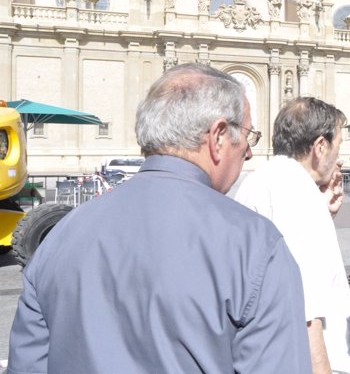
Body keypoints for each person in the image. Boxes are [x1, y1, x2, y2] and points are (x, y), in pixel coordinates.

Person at [7, 63, 311, 373]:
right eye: (248, 135)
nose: (248, 151)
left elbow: (27, 366)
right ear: (218, 136)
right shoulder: (255, 245)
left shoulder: (61, 234)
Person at [235, 97, 350, 374]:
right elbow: (306, 309)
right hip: (314, 363)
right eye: (338, 144)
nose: (338, 156)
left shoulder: (261, 179)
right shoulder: (299, 195)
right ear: (320, 146)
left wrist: (322, 212)